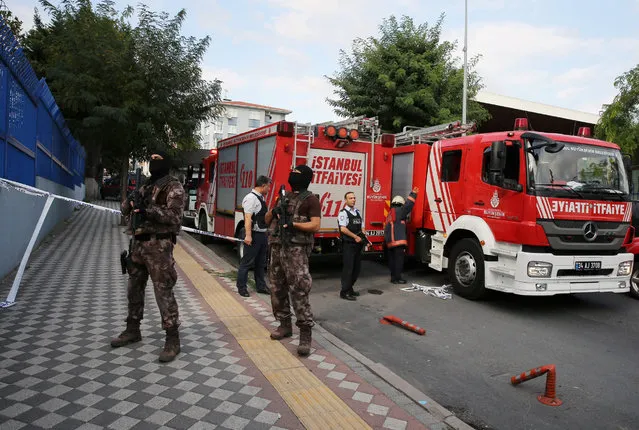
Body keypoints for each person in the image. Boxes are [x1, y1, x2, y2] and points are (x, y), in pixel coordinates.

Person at [111, 150, 186, 363]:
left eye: (158, 159)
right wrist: (132, 201)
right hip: (137, 245)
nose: (153, 163)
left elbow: (174, 217)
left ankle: (173, 339)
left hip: (159, 246)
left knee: (163, 292)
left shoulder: (174, 187)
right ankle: (132, 329)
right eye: (151, 159)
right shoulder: (145, 185)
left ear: (167, 163)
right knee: (134, 289)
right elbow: (125, 210)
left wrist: (148, 211)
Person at [265, 165, 321, 356]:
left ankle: (305, 335)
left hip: (296, 251)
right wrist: (275, 211)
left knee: (299, 289)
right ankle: (284, 325)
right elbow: (265, 220)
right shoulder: (283, 197)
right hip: (278, 248)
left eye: (297, 175)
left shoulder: (311, 200)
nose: (293, 177)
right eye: (292, 174)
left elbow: (315, 225)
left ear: (306, 178)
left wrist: (293, 224)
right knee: (276, 288)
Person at [237, 175, 272, 297]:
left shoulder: (260, 198)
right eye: (268, 186)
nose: (269, 189)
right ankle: (242, 287)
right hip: (254, 235)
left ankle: (261, 286)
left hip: (262, 234)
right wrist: (248, 236)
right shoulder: (251, 198)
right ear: (263, 185)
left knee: (261, 263)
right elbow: (248, 218)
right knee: (247, 262)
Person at [384, 187, 419, 284]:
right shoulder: (399, 211)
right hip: (398, 241)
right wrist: (413, 194)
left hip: (390, 242)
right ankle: (397, 278)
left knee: (392, 260)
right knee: (399, 260)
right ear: (400, 204)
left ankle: (393, 277)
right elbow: (408, 206)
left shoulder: (390, 213)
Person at [338, 191, 368, 301]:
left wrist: (363, 234)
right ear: (346, 200)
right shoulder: (343, 213)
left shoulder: (357, 212)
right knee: (348, 269)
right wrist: (355, 237)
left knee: (356, 269)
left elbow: (362, 225)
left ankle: (350, 289)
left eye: (354, 198)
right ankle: (344, 292)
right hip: (349, 244)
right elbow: (343, 229)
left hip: (358, 245)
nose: (353, 200)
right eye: (350, 198)